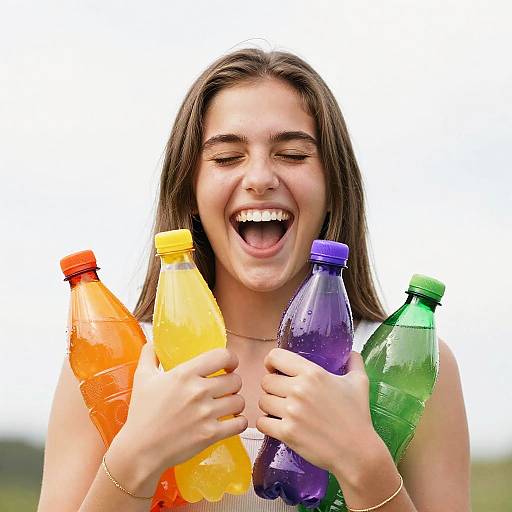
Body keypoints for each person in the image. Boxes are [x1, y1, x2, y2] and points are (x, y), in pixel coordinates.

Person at [38, 49, 470, 512]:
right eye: (226, 157)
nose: (260, 177)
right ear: (191, 192)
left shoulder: (408, 363)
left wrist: (362, 461)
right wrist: (135, 456)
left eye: (292, 154)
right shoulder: (122, 361)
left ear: (332, 189)